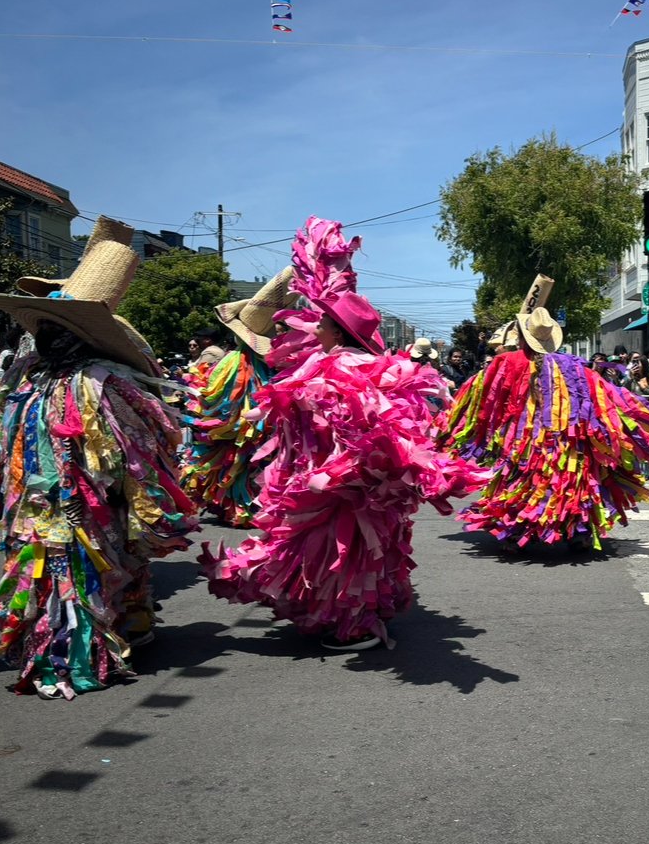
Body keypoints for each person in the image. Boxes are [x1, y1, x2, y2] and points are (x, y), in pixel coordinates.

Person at [204, 217, 485, 651]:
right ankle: (356, 613)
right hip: (346, 482)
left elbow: (368, 427)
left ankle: (353, 625)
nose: (313, 328)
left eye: (323, 323)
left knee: (338, 551)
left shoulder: (341, 367)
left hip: (340, 482)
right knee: (353, 553)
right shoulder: (350, 364)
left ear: (337, 332)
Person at [0, 237, 198, 699]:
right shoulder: (34, 382)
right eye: (46, 330)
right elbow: (10, 440)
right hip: (50, 502)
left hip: (87, 496)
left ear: (78, 336)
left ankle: (98, 641)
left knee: (100, 566)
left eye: (57, 330)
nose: (47, 339)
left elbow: (139, 445)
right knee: (68, 571)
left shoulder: (99, 382)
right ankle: (80, 647)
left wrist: (126, 489)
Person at [440, 294, 649, 550]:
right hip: (567, 439)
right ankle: (579, 533)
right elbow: (610, 398)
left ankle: (513, 533)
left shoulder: (506, 362)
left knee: (520, 483)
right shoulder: (572, 365)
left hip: (522, 440)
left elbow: (479, 393)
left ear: (522, 337)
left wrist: (451, 425)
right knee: (571, 484)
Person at [181, 268, 298, 528]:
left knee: (236, 462)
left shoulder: (230, 363)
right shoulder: (269, 365)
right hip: (251, 430)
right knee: (249, 462)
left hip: (234, 430)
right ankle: (249, 506)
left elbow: (213, 398)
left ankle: (237, 507)